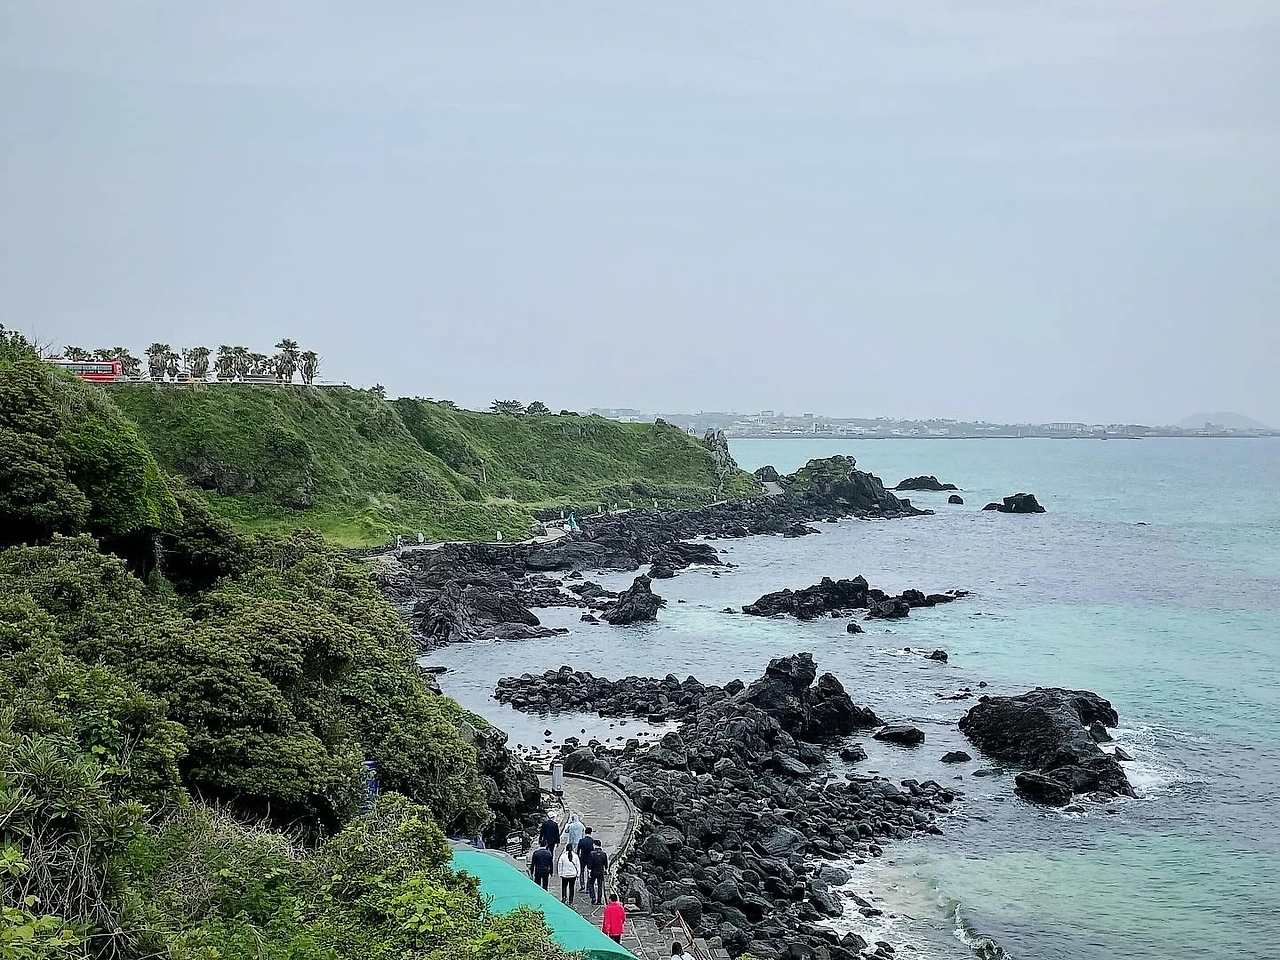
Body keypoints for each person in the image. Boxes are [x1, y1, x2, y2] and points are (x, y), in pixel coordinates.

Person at [587, 839, 609, 905]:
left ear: (595, 845)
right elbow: (606, 864)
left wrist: (589, 872)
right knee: (600, 886)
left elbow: (589, 864)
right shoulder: (603, 854)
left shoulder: (592, 854)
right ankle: (599, 900)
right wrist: (606, 870)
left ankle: (593, 897)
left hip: (593, 871)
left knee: (591, 884)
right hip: (600, 871)